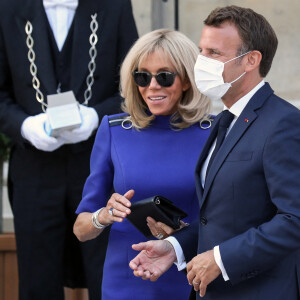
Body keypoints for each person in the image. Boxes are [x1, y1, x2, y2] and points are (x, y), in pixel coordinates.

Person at [129, 5, 300, 300]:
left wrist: (220, 260)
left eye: (214, 53)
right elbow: (222, 219)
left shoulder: (283, 123)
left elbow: (294, 219)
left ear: (251, 60)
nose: (201, 62)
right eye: (201, 51)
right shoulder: (224, 120)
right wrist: (175, 247)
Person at [0, 0, 138, 299]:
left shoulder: (115, 6)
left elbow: (135, 84)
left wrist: (96, 116)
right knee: (37, 280)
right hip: (33, 169)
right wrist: (25, 127)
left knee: (107, 274)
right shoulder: (7, 7)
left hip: (100, 167)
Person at [73, 28, 212, 300]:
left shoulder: (214, 132)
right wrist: (103, 215)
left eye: (164, 76)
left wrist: (180, 234)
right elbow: (81, 229)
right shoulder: (114, 130)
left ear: (186, 80)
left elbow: (231, 220)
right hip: (127, 279)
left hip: (192, 278)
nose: (152, 86)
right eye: (142, 76)